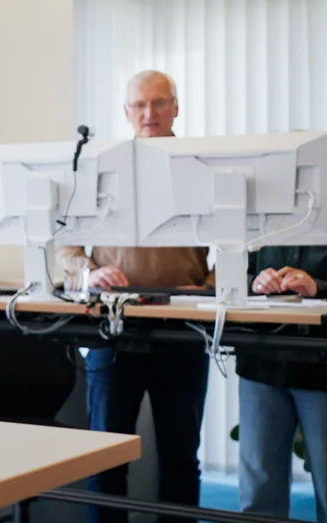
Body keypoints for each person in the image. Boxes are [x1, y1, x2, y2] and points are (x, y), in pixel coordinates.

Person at [57, 70, 212, 523]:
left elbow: (236, 242)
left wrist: (208, 286)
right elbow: (66, 247)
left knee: (181, 456)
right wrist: (91, 271)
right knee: (103, 456)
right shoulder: (98, 169)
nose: (150, 114)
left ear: (176, 107)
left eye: (159, 103)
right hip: (112, 327)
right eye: (140, 105)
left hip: (183, 328)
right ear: (125, 112)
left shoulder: (203, 167)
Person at [237, 203, 327, 523]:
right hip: (262, 366)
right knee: (257, 493)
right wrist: (254, 283)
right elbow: (230, 274)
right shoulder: (260, 220)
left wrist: (319, 288)